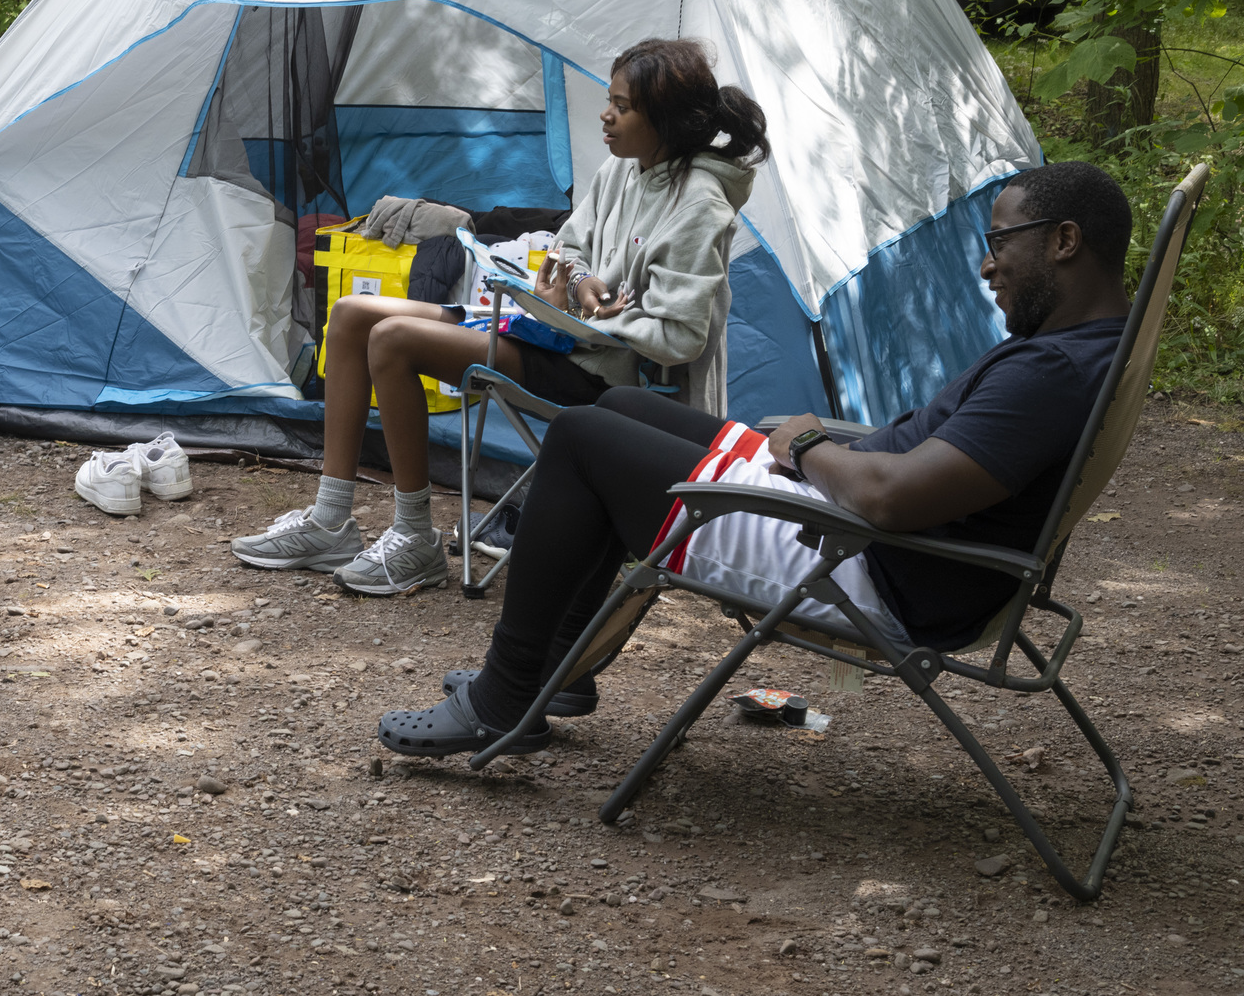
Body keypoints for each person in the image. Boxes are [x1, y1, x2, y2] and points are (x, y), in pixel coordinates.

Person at [371, 160, 1134, 756]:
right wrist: (823, 453)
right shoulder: (1085, 351)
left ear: (1064, 241)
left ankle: (505, 701)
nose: (987, 266)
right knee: (619, 407)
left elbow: (893, 501)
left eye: (1000, 244)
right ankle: (555, 675)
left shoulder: (1050, 374)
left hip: (867, 564)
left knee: (579, 439)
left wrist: (806, 447)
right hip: (866, 532)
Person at [229, 38, 769, 597]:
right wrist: (580, 282)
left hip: (605, 374)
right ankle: (331, 520)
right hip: (553, 332)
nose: (606, 115)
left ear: (667, 120)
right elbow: (570, 244)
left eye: (623, 106)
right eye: (610, 100)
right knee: (349, 315)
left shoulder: (699, 205)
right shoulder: (622, 169)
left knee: (390, 339)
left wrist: (596, 324)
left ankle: (415, 539)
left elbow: (680, 336)